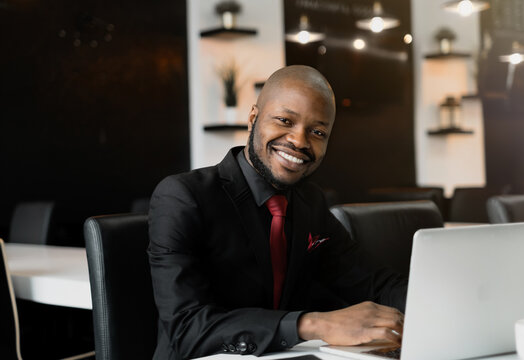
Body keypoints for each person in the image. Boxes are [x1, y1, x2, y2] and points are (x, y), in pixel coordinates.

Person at [148, 65, 406, 359]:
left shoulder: (311, 203)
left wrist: (437, 304)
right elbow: (186, 329)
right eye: (285, 120)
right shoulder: (184, 196)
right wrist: (312, 324)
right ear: (253, 118)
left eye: (317, 131)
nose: (299, 141)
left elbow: (375, 283)